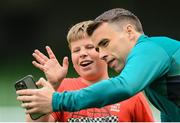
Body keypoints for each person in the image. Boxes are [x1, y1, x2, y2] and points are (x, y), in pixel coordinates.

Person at [16, 8, 180, 121]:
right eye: (97, 48)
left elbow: (123, 86)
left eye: (105, 43)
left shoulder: (150, 49)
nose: (101, 54)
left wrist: (56, 100)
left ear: (129, 32)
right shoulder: (152, 76)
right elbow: (171, 114)